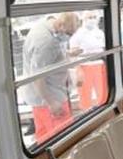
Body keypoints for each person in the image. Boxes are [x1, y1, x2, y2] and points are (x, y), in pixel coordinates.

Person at [22, 12, 80, 144]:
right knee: (62, 141)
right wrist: (52, 103)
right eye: (69, 34)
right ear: (60, 25)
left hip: (41, 99)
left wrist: (67, 53)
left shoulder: (47, 24)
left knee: (44, 138)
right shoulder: (46, 42)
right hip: (50, 98)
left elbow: (47, 60)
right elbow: (38, 76)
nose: (70, 37)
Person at [69, 12, 108, 109]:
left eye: (94, 17)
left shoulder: (100, 33)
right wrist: (78, 70)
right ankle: (86, 111)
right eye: (90, 17)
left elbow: (104, 49)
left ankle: (103, 109)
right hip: (84, 66)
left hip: (99, 65)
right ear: (84, 19)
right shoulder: (77, 35)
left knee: (102, 92)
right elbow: (73, 55)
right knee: (85, 94)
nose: (92, 19)